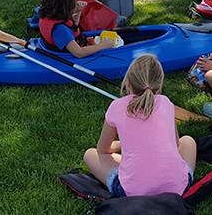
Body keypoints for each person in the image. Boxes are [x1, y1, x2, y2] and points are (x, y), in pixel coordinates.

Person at [83, 55, 196, 197]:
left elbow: (102, 149)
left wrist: (121, 146)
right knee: (188, 141)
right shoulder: (166, 102)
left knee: (90, 154)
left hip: (131, 192)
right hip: (177, 188)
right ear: (159, 84)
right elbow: (176, 143)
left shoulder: (117, 106)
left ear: (128, 82)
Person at [39, 0, 114, 58]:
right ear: (64, 9)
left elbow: (72, 28)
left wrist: (78, 11)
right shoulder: (60, 30)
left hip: (77, 44)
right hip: (77, 55)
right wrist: (103, 45)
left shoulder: (48, 16)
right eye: (72, 6)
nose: (74, 7)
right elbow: (79, 53)